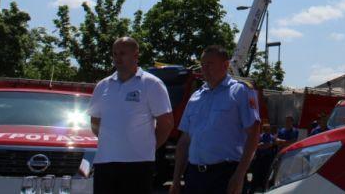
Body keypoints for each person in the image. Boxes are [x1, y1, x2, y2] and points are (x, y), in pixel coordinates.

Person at [170, 45, 260, 194]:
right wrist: (176, 180)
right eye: (202, 64)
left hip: (224, 174)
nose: (204, 69)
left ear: (225, 65)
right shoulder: (196, 97)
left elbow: (254, 134)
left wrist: (239, 176)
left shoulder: (240, 92)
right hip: (194, 175)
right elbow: (185, 141)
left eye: (210, 64)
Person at [89, 37, 174, 194]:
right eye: (114, 54)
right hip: (105, 163)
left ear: (136, 55)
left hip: (138, 164)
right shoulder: (103, 85)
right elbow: (95, 122)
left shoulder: (152, 84)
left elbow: (166, 123)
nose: (117, 58)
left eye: (122, 53)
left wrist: (147, 147)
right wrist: (115, 142)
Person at [246, 123, 276, 193]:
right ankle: (254, 187)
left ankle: (263, 187)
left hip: (267, 158)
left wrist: (262, 145)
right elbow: (257, 145)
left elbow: (269, 145)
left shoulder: (271, 137)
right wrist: (261, 145)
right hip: (259, 157)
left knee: (266, 173)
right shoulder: (260, 136)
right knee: (256, 172)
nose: (267, 130)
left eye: (268, 129)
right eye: (265, 129)